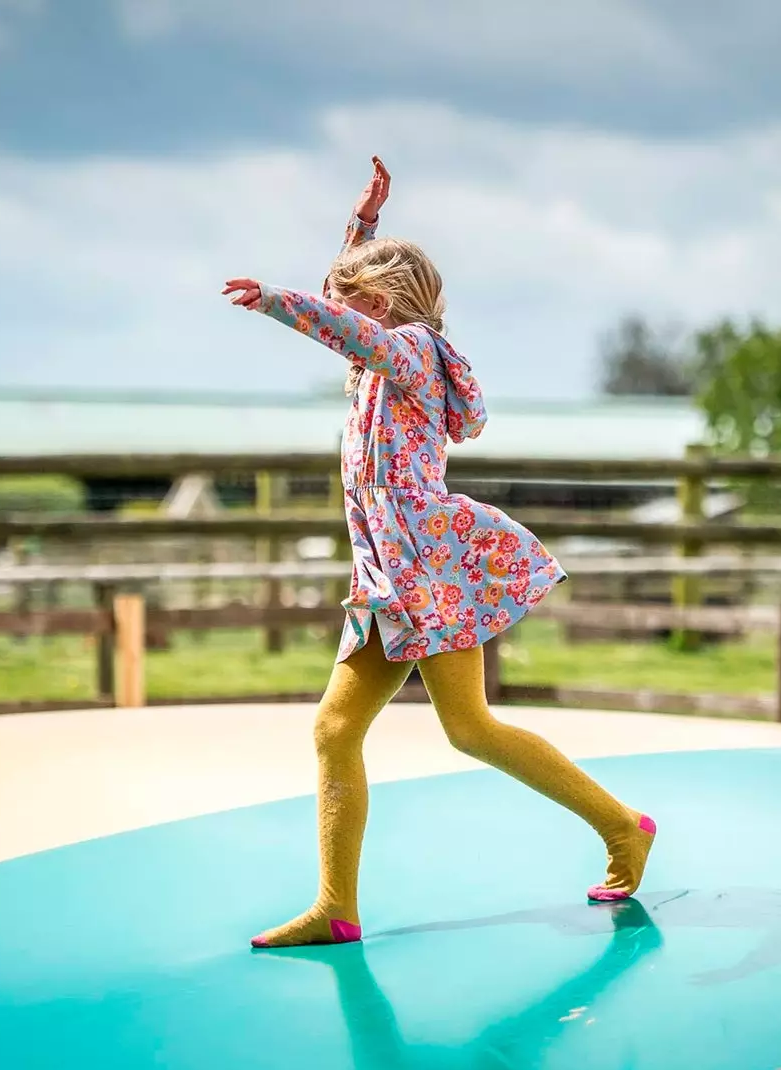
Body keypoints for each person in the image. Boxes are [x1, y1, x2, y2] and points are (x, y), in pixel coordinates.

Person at [222, 156, 656, 948]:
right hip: (390, 575)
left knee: (470, 728)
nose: (332, 309)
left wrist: (276, 303)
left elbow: (343, 320)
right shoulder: (373, 359)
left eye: (345, 296)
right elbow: (346, 310)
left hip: (432, 569)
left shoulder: (413, 351)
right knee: (334, 730)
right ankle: (336, 907)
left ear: (379, 306)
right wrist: (362, 228)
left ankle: (624, 827)